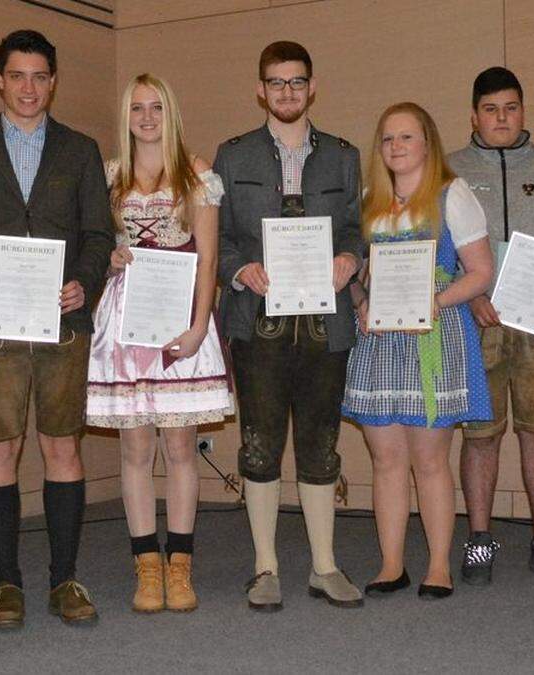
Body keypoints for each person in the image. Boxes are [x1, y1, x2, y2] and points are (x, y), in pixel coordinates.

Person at [0, 29, 114, 629]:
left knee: (61, 445)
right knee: (0, 447)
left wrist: (84, 282)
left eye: (40, 76)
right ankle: (5, 584)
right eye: (18, 75)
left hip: (64, 323)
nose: (29, 87)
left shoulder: (81, 149)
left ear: (53, 82)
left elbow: (99, 234)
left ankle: (64, 579)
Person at [214, 40, 365, 611]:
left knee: (321, 442)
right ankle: (265, 567)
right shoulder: (232, 156)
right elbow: (221, 238)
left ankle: (325, 566)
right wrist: (239, 268)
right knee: (259, 441)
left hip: (326, 326)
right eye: (276, 83)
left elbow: (355, 230)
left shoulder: (344, 156)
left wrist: (351, 260)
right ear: (260, 89)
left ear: (312, 86)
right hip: (257, 324)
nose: (286, 92)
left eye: (296, 82)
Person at [87, 73, 233, 613]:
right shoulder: (107, 176)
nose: (147, 118)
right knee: (134, 447)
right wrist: (109, 256)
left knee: (179, 446)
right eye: (137, 108)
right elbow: (94, 246)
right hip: (125, 321)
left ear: (170, 112)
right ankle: (145, 565)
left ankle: (180, 564)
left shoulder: (197, 174)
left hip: (178, 319)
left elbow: (210, 259)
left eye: (156, 107)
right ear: (125, 116)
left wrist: (199, 327)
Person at [343, 102, 494, 600]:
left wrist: (433, 299)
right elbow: (356, 273)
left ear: (428, 142)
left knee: (430, 461)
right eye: (388, 139)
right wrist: (362, 303)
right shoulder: (369, 200)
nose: (396, 147)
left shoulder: (453, 195)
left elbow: (480, 273)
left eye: (406, 137)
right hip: (381, 340)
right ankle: (390, 564)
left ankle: (437, 566)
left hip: (435, 336)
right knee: (385, 459)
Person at [448, 67, 534, 586]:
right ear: (474, 115)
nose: (501, 118)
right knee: (480, 435)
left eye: (510, 108)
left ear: (523, 111)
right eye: (490, 109)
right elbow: (442, 247)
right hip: (474, 320)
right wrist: (473, 292)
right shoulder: (451, 170)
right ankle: (480, 539)